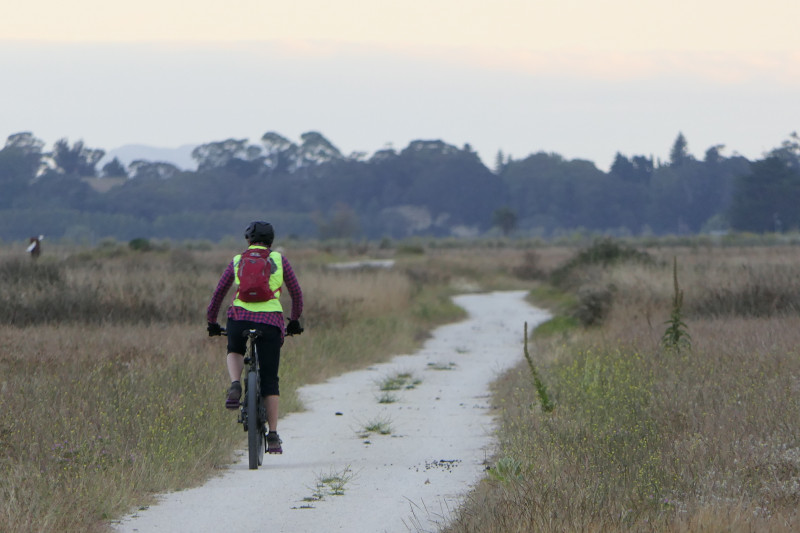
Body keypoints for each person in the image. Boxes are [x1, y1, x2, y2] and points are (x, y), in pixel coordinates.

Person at [206, 221, 303, 454]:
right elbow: (296, 293)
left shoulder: (238, 260)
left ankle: (235, 384)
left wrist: (212, 321)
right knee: (270, 380)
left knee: (235, 350)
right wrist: (294, 320)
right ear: (271, 241)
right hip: (270, 321)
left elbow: (218, 293)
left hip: (239, 317)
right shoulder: (279, 260)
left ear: (248, 240)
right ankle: (273, 436)